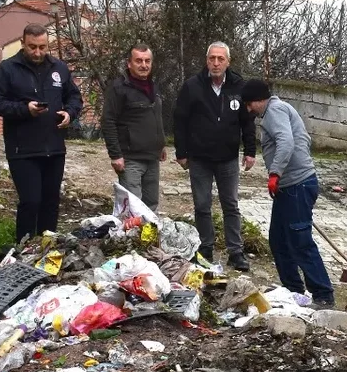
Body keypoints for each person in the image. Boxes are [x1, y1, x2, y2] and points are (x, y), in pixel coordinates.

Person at [240, 79, 335, 308]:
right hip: (290, 186)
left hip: (298, 186)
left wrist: (275, 173)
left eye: (248, 104)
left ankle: (323, 295)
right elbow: (303, 139)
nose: (248, 109)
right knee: (279, 239)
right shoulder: (280, 110)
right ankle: (293, 289)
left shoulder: (275, 111)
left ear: (256, 100)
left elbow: (287, 141)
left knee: (300, 242)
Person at [0, 23, 83, 242]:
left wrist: (69, 113)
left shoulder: (59, 68)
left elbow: (75, 97)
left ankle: (47, 247)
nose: (38, 52)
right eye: (32, 47)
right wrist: (25, 109)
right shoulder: (7, 69)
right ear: (23, 44)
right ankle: (24, 247)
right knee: (31, 201)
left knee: (51, 201)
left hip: (54, 147)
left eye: (42, 47)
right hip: (23, 149)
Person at [173, 42, 256, 271]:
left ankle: (236, 252)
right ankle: (205, 247)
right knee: (202, 205)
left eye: (221, 59)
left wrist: (250, 151)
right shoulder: (192, 86)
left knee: (231, 204)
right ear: (206, 61)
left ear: (228, 61)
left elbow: (247, 122)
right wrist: (181, 152)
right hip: (199, 158)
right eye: (212, 58)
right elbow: (180, 121)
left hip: (228, 158)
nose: (216, 63)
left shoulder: (239, 86)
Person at [101, 43, 167, 211]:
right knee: (133, 208)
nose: (144, 65)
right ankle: (130, 237)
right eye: (139, 61)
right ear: (129, 63)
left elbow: (155, 116)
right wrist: (115, 155)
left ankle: (148, 237)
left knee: (151, 206)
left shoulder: (154, 86)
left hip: (153, 158)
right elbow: (108, 121)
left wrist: (161, 143)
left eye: (147, 61)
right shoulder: (119, 88)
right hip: (130, 159)